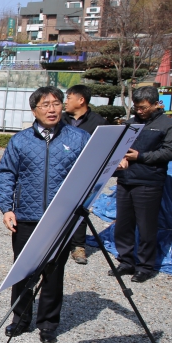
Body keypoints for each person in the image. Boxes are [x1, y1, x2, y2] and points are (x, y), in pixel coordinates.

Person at [0, 86, 89, 343]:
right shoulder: (21, 140)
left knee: (54, 272)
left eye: (56, 103)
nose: (52, 109)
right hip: (26, 215)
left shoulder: (78, 138)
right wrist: (7, 208)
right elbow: (6, 174)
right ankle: (20, 318)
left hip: (61, 218)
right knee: (23, 269)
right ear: (34, 110)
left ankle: (48, 324)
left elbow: (90, 174)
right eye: (45, 105)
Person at [111, 85, 172, 283]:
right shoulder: (130, 123)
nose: (139, 111)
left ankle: (145, 266)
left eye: (143, 107)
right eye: (137, 107)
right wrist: (120, 159)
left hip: (149, 182)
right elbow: (119, 146)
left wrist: (140, 156)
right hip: (125, 180)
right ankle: (126, 260)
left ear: (156, 104)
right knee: (123, 224)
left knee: (146, 227)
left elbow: (170, 152)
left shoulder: (169, 126)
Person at [60, 84, 107, 265]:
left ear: (81, 100)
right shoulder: (61, 119)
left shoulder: (99, 122)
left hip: (85, 172)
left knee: (80, 208)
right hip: (62, 169)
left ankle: (78, 246)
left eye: (69, 98)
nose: (65, 102)